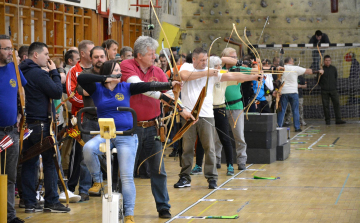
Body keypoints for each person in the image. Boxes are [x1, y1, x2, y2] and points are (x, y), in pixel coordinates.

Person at [79, 60, 181, 223]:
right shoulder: (97, 89)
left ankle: (129, 214)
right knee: (88, 148)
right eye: (116, 71)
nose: (120, 74)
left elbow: (147, 86)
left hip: (126, 135)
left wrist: (169, 84)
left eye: (120, 70)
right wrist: (106, 78)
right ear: (107, 73)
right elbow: (81, 79)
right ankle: (98, 181)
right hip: (106, 133)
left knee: (126, 176)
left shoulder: (125, 87)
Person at [120, 36, 195, 219]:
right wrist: (167, 98)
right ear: (139, 55)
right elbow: (139, 86)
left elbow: (169, 92)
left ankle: (163, 207)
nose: (155, 56)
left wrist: (184, 110)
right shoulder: (127, 66)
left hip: (153, 127)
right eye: (151, 53)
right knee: (125, 171)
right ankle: (121, 207)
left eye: (154, 53)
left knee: (159, 169)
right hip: (131, 128)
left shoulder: (157, 70)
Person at [174, 47, 262, 189]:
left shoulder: (211, 71)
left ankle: (212, 178)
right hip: (189, 115)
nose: (204, 62)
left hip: (207, 114)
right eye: (201, 60)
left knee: (210, 148)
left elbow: (232, 76)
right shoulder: (187, 66)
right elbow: (184, 76)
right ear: (194, 59)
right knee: (187, 148)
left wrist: (253, 77)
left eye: (206, 60)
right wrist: (207, 72)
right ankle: (185, 177)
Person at [20, 42, 70, 213]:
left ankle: (29, 202)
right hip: (41, 125)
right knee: (50, 162)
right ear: (36, 55)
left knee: (29, 163)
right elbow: (57, 92)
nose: (49, 58)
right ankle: (51, 201)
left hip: (26, 125)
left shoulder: (21, 70)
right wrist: (55, 72)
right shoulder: (38, 74)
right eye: (46, 54)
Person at [190, 55, 236, 176]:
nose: (219, 68)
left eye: (220, 65)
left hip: (219, 109)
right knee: (202, 139)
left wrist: (254, 75)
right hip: (206, 110)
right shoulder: (205, 78)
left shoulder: (223, 77)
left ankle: (230, 165)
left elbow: (239, 77)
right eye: (216, 66)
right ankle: (198, 165)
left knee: (225, 137)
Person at [0, 34, 27, 223]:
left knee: (9, 176)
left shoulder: (15, 68)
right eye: (6, 49)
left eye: (11, 48)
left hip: (10, 131)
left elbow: (22, 91)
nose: (11, 52)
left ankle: (9, 216)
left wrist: (20, 114)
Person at [76, 46, 107, 201]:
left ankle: (110, 186)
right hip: (89, 120)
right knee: (85, 157)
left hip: (107, 121)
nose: (99, 60)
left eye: (102, 56)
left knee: (111, 155)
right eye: (96, 57)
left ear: (106, 58)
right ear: (91, 58)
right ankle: (84, 190)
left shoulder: (111, 73)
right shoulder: (85, 75)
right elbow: (85, 91)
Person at [65, 40, 94, 197]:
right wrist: (90, 102)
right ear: (82, 53)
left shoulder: (98, 70)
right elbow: (71, 96)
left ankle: (89, 186)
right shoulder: (73, 71)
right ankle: (70, 187)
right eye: (91, 51)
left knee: (93, 152)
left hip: (96, 118)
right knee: (77, 153)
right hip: (78, 119)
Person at [276, 57, 323, 131]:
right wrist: (318, 71)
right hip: (293, 92)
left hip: (283, 92)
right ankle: (297, 127)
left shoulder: (281, 68)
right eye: (293, 60)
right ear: (290, 61)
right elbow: (308, 71)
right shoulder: (295, 68)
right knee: (295, 110)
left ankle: (279, 126)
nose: (294, 62)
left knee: (282, 110)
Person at [319, 55, 346, 125]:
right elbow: (318, 80)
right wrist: (323, 86)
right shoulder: (321, 69)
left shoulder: (334, 68)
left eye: (329, 60)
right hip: (324, 90)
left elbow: (335, 77)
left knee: (336, 104)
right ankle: (327, 120)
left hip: (333, 90)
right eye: (326, 60)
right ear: (324, 61)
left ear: (330, 61)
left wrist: (333, 86)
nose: (328, 62)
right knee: (325, 106)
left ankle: (338, 119)